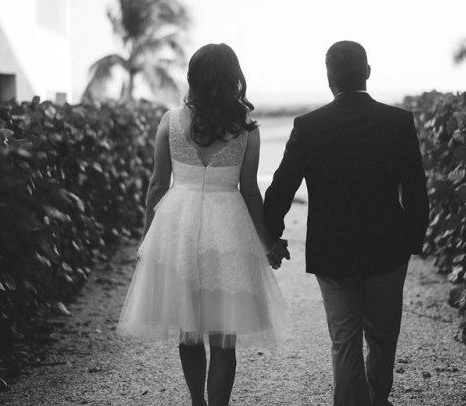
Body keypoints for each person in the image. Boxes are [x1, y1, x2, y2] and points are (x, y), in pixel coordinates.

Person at [117, 43, 289, 406]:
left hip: (178, 225)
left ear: (193, 77)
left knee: (188, 329)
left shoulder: (170, 121)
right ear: (233, 78)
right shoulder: (246, 129)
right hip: (228, 227)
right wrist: (267, 241)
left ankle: (197, 402)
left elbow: (157, 184)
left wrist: (147, 239)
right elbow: (250, 190)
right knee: (224, 337)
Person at [263, 40, 429, 406]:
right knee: (383, 336)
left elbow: (281, 188)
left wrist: (271, 235)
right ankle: (377, 397)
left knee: (344, 339)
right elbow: (416, 188)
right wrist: (413, 241)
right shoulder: (398, 122)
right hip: (388, 248)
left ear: (329, 78)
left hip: (332, 251)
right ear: (367, 72)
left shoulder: (308, 126)